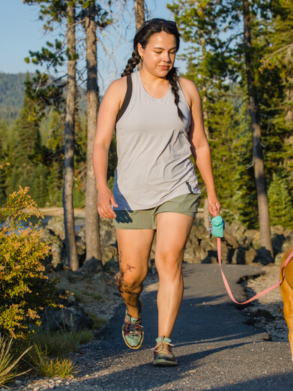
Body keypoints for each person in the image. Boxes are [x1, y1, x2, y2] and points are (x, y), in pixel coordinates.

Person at [93, 18, 220, 367]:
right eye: (159, 51)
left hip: (178, 188)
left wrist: (210, 191)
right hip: (130, 195)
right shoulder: (121, 89)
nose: (166, 58)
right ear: (141, 50)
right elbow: (101, 143)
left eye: (172, 52)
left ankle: (164, 342)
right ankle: (133, 310)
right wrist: (103, 188)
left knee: (169, 260)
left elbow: (200, 144)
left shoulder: (187, 89)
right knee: (131, 276)